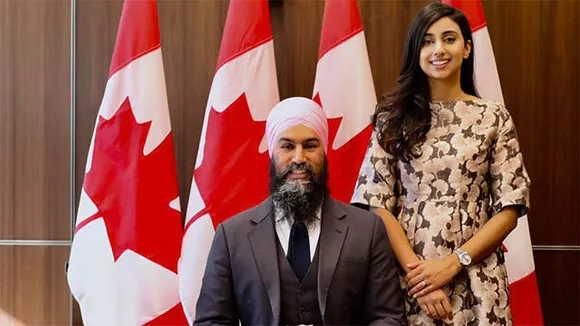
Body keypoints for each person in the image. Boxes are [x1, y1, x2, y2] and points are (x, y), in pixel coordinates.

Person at [351, 3, 531, 325]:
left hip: (478, 275)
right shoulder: (392, 119)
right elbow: (376, 203)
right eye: (427, 41)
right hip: (409, 277)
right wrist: (421, 278)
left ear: (466, 48)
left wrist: (453, 263)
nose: (438, 50)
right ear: (415, 52)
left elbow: (510, 207)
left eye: (449, 39)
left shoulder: (493, 117)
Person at [194, 97, 405, 326]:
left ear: (324, 152)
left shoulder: (367, 229)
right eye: (287, 146)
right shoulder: (232, 235)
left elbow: (389, 318)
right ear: (272, 153)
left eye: (310, 146)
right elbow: (211, 321)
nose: (298, 158)